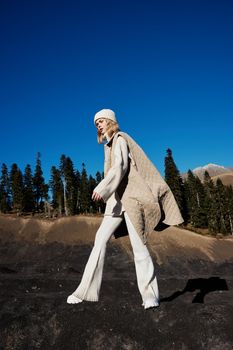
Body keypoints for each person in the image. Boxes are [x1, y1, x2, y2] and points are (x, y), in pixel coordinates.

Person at [67, 109, 183, 309]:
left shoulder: (120, 138)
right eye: (96, 124)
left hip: (131, 200)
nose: (99, 126)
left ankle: (150, 297)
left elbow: (120, 166)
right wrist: (108, 193)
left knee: (139, 247)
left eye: (101, 121)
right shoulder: (108, 146)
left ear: (111, 121)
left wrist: (102, 187)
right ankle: (84, 292)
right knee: (99, 241)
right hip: (115, 203)